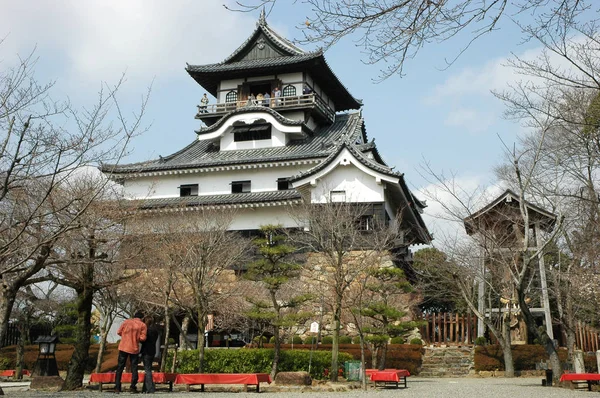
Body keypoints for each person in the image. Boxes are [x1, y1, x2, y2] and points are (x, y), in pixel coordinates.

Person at [115, 311, 147, 394]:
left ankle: (117, 387)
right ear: (142, 318)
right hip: (134, 348)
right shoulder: (142, 325)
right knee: (134, 367)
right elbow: (143, 338)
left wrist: (126, 336)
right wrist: (136, 337)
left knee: (120, 367)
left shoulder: (126, 322)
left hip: (123, 346)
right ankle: (132, 387)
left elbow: (119, 332)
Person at [141, 316, 160, 394]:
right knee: (148, 368)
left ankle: (150, 388)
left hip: (146, 351)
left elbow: (143, 340)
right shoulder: (155, 330)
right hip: (152, 350)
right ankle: (145, 388)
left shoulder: (147, 330)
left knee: (147, 370)